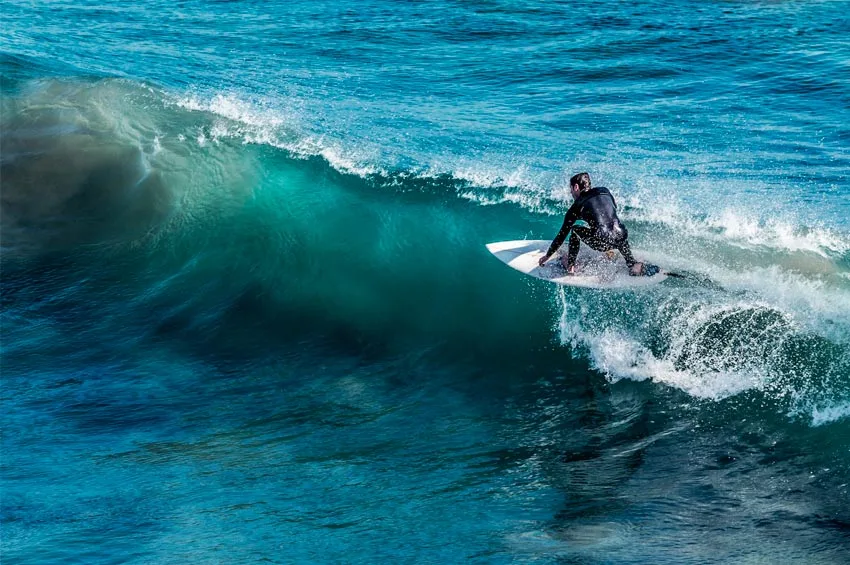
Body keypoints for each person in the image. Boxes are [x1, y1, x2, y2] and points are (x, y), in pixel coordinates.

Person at [537, 172, 657, 276]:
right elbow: (609, 210)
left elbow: (562, 235)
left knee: (575, 230)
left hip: (601, 242)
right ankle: (632, 264)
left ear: (576, 187)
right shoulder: (605, 191)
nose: (571, 193)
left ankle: (571, 265)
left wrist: (547, 255)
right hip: (622, 236)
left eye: (571, 189)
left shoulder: (576, 206)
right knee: (613, 227)